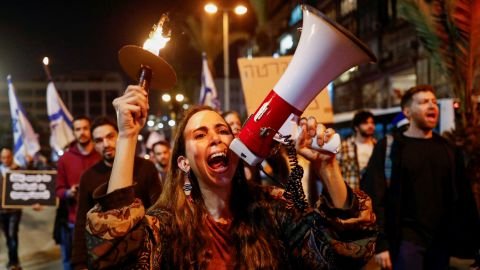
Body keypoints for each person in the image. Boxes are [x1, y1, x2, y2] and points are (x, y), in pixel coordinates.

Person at [85, 85, 377, 269]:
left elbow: (346, 257)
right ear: (184, 162)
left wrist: (328, 169)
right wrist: (127, 136)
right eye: (200, 134)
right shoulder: (165, 226)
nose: (216, 138)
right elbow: (110, 256)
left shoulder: (273, 208)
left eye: (223, 130)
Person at [362, 85, 480, 270]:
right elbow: (376, 198)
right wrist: (381, 244)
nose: (432, 106)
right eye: (424, 102)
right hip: (406, 242)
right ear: (407, 111)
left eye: (434, 102)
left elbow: (463, 199)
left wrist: (471, 246)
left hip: (441, 242)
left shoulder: (448, 149)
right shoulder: (390, 147)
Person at [71, 116, 162, 270]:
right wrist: (79, 263)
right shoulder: (88, 177)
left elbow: (159, 210)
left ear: (120, 135)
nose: (106, 144)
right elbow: (81, 221)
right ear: (93, 144)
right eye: (99, 140)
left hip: (143, 254)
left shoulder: (145, 168)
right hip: (105, 257)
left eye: (110, 136)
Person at [54, 116, 101, 270]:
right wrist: (69, 193)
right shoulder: (65, 159)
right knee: (71, 263)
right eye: (78, 129)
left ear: (91, 130)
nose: (82, 132)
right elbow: (58, 189)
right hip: (72, 221)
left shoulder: (101, 154)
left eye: (85, 128)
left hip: (100, 221)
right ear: (73, 132)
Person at [336, 110, 376, 191]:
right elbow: (336, 171)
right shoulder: (344, 146)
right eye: (365, 123)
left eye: (372, 123)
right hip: (351, 194)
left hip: (372, 194)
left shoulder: (377, 146)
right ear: (356, 127)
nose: (370, 126)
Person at [0, 148, 22, 270]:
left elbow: (30, 186)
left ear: (12, 157)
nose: (6, 159)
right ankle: (13, 260)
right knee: (8, 237)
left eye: (8, 157)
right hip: (1, 211)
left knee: (12, 234)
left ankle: (14, 263)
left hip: (14, 210)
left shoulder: (18, 170)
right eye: (3, 157)